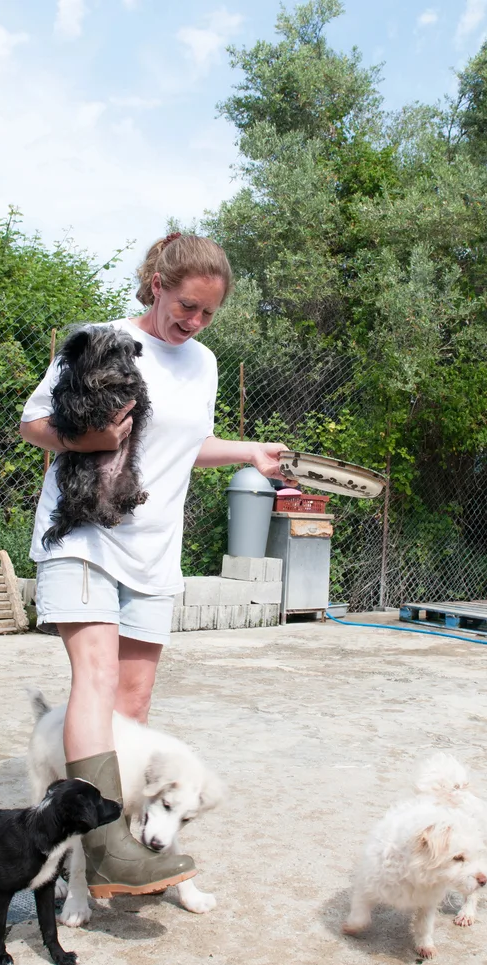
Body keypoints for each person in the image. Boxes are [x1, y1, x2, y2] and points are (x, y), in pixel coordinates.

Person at [19, 233, 287, 899]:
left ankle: (125, 847)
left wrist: (249, 452)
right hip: (83, 535)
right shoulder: (102, 341)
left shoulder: (204, 362)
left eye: (207, 314)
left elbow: (183, 444)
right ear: (158, 284)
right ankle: (104, 849)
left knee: (133, 704)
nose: (192, 322)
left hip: (153, 550)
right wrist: (86, 437)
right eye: (186, 306)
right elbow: (32, 421)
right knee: (97, 680)